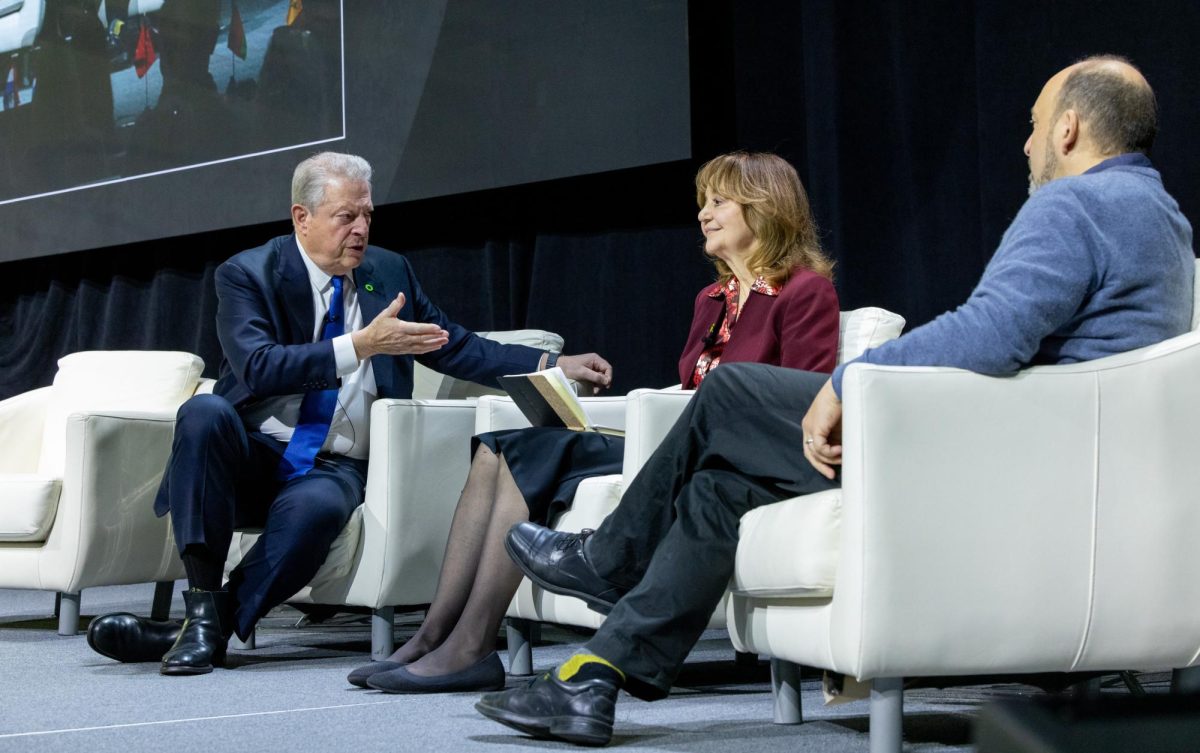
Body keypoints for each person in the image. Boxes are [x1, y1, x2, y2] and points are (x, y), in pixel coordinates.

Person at [480, 55, 1195, 746]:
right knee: (720, 490)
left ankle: (610, 555)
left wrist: (852, 379)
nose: (1028, 143)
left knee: (730, 390)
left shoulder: (1076, 203)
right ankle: (593, 678)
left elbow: (993, 333)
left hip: (992, 461)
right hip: (1045, 461)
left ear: (1069, 128)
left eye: (1036, 125)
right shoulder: (1162, 217)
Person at [84, 151, 612, 675]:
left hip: (335, 466)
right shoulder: (247, 274)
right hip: (254, 451)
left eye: (367, 215)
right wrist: (358, 346)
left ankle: (203, 628)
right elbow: (259, 368)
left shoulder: (387, 270)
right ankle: (200, 602)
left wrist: (552, 363)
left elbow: (454, 344)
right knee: (203, 412)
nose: (361, 229)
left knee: (315, 511)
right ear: (302, 219)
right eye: (346, 217)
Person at [345, 151, 843, 693]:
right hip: (679, 440)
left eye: (719, 201)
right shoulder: (713, 299)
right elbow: (688, 393)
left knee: (530, 451)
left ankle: (471, 645)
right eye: (702, 202)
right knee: (497, 444)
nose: (703, 214)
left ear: (764, 206)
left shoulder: (804, 291)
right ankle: (435, 634)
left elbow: (798, 401)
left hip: (732, 453)